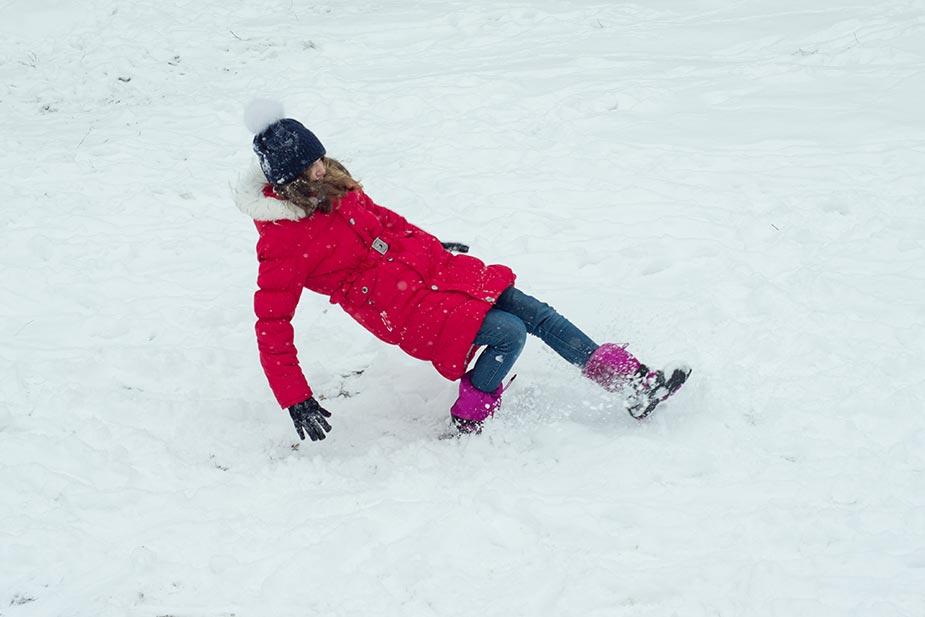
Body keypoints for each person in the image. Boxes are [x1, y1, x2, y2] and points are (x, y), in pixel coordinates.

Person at [233, 104, 690, 441]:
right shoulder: (282, 241)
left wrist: (431, 247)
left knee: (533, 310)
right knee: (509, 332)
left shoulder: (334, 185)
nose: (322, 167)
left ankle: (634, 384)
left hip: (430, 271)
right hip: (397, 307)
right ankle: (469, 417)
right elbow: (272, 324)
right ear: (290, 180)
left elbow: (389, 224)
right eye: (311, 166)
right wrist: (295, 396)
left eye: (319, 157)